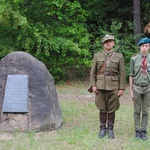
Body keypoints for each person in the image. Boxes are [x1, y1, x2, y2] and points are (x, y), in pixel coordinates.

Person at [89, 34, 126, 139]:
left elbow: (122, 73)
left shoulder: (119, 56)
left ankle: (110, 129)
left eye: (110, 41)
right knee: (102, 108)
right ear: (103, 44)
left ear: (113, 43)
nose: (108, 43)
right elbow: (93, 72)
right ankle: (102, 129)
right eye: (106, 41)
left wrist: (122, 88)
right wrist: (93, 85)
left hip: (114, 86)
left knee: (112, 109)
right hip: (100, 86)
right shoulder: (97, 56)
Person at [129, 37, 150, 140]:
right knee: (137, 111)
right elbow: (131, 75)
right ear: (140, 47)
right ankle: (137, 130)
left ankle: (144, 131)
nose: (144, 48)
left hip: (148, 88)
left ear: (149, 47)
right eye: (143, 46)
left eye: (146, 46)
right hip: (137, 87)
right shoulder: (134, 58)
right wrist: (131, 90)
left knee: (145, 111)